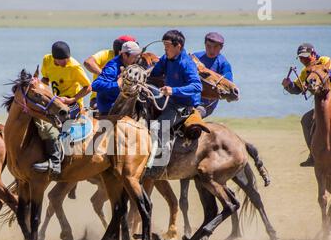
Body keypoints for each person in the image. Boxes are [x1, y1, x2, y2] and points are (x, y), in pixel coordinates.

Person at [148, 30, 208, 177]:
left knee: (160, 126)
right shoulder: (166, 58)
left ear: (178, 46)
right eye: (164, 45)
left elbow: (197, 86)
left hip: (183, 106)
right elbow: (154, 73)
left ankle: (158, 166)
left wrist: (173, 90)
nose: (165, 48)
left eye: (167, 45)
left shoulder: (187, 63)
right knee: (145, 94)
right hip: (168, 99)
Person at [33, 41, 91, 174]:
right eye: (62, 61)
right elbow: (46, 79)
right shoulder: (47, 60)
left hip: (72, 103)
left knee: (59, 121)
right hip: (54, 101)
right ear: (54, 59)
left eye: (67, 59)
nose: (65, 62)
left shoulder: (74, 67)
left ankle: (55, 162)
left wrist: (72, 99)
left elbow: (88, 87)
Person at [282, 43, 331, 167]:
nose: (304, 60)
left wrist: (316, 79)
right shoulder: (306, 71)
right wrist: (288, 85)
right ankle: (313, 155)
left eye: (306, 57)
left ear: (313, 54)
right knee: (306, 120)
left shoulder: (325, 60)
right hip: (325, 103)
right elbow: (297, 89)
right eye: (301, 58)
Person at [84, 35, 136, 109]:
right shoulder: (106, 54)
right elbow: (88, 62)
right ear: (122, 52)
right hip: (99, 99)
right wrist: (105, 76)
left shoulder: (131, 59)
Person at [91, 41, 142, 115]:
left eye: (138, 56)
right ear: (124, 55)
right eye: (135, 57)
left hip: (124, 104)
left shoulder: (130, 63)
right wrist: (117, 84)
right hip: (110, 108)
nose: (137, 59)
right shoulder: (112, 68)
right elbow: (95, 85)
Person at [193, 32, 233, 118]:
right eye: (208, 46)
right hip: (186, 99)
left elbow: (228, 87)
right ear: (205, 44)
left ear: (221, 47)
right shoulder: (195, 58)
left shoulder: (223, 64)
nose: (211, 50)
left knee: (192, 117)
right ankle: (164, 131)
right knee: (165, 113)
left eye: (215, 47)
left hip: (204, 105)